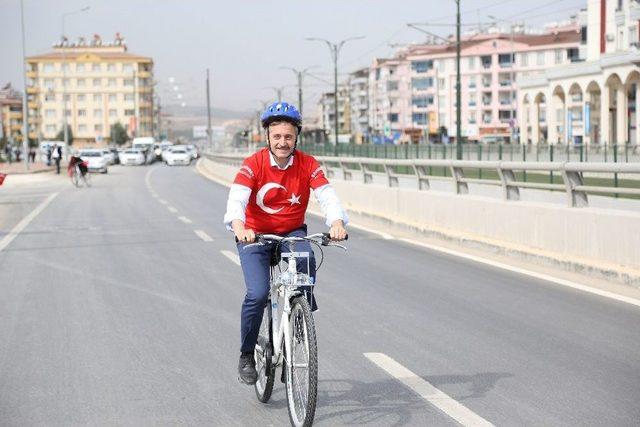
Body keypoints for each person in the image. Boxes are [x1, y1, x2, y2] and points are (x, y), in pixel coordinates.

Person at [224, 101, 348, 385]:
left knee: (307, 259)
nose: (282, 142)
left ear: (296, 137)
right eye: (277, 136)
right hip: (254, 235)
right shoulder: (253, 164)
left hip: (292, 233)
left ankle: (299, 314)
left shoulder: (308, 164)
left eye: (288, 137)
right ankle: (246, 354)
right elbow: (237, 200)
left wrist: (337, 222)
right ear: (267, 136)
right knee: (257, 293)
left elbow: (326, 195)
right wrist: (240, 226)